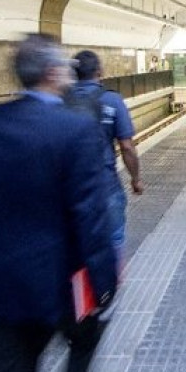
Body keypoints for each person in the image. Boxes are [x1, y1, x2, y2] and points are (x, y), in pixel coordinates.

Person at [0, 34, 117, 372]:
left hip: (4, 284)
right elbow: (90, 215)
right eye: (63, 65)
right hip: (63, 279)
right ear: (50, 72)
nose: (68, 72)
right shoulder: (77, 129)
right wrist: (104, 281)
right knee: (84, 341)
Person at [66, 50, 144, 267]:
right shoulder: (112, 100)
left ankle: (81, 290)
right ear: (100, 72)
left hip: (69, 188)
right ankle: (110, 287)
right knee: (115, 236)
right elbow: (127, 147)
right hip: (105, 184)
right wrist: (136, 179)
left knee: (74, 241)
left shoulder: (60, 102)